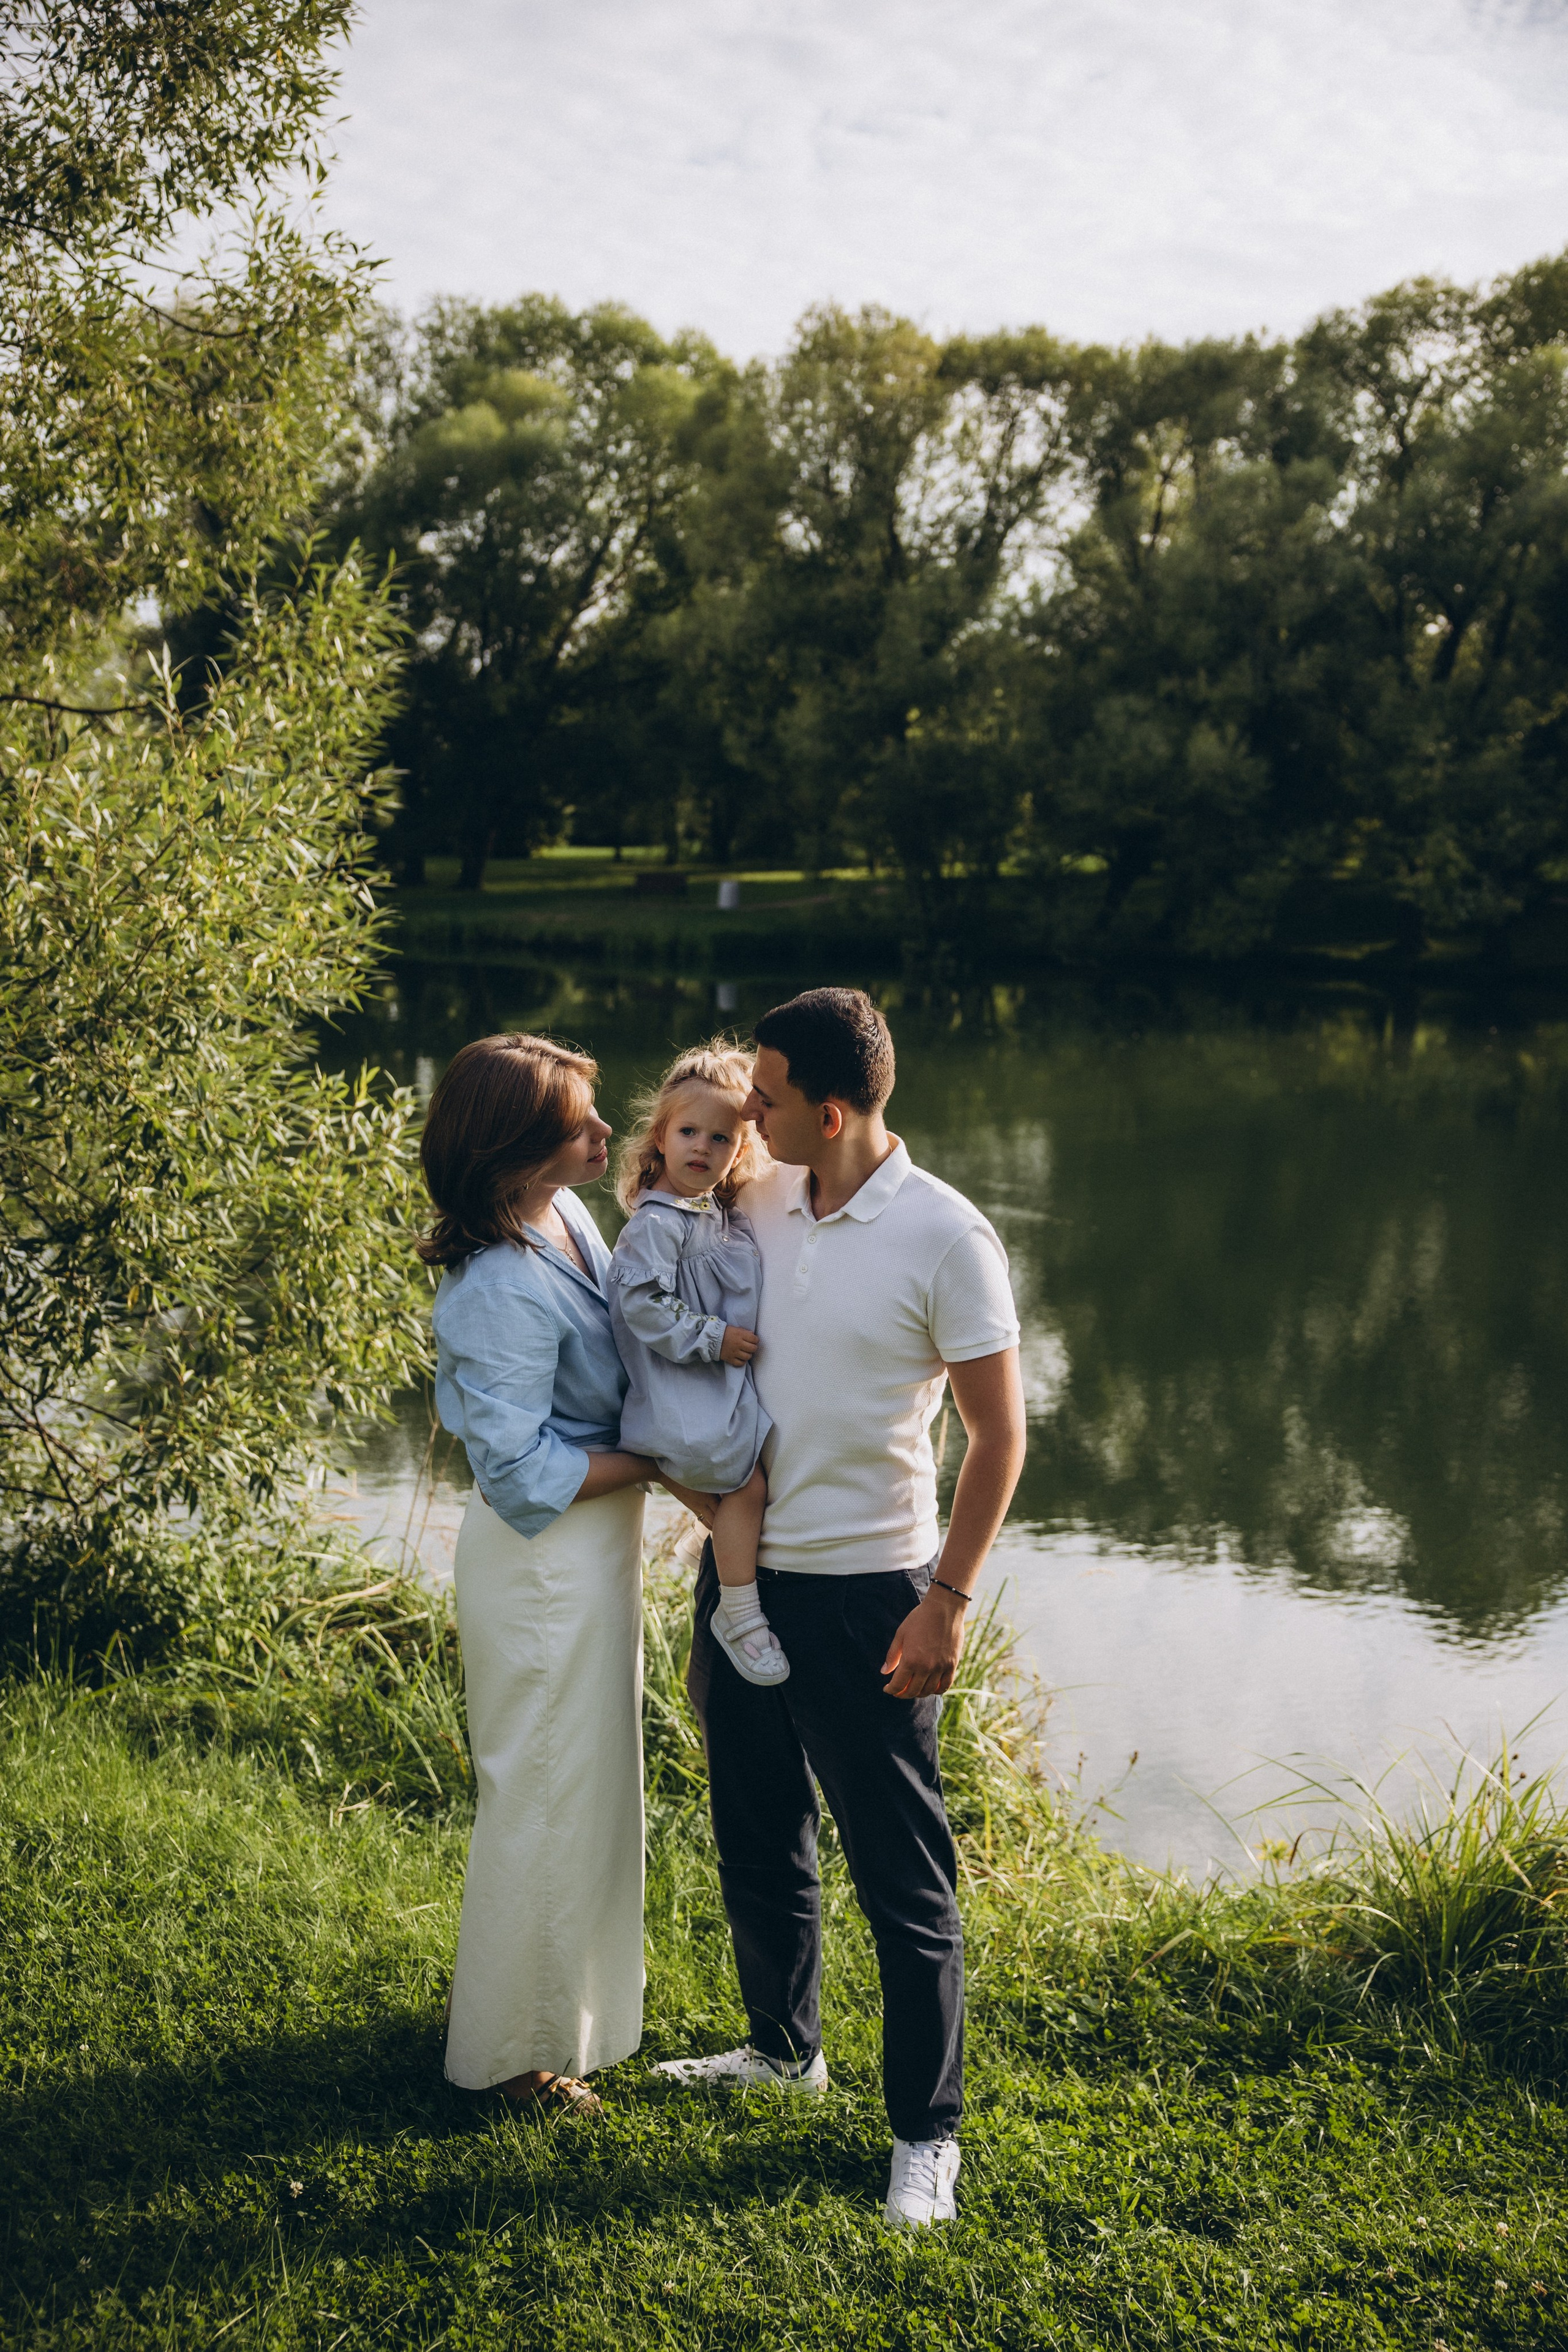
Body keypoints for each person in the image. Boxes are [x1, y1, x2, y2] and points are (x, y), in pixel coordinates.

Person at [656, 988, 1027, 2230]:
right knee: (756, 1830)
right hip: (747, 1580)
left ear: (826, 1108)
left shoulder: (947, 1236)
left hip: (874, 1596)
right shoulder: (756, 1197)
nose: (743, 1117)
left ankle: (926, 2135)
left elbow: (997, 1436)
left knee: (900, 1881)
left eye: (762, 1100)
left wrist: (948, 1604)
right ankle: (780, 2048)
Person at [420, 1031, 701, 2116]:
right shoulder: (497, 1286)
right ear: (513, 1157)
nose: (604, 1132)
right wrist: (665, 1463)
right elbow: (515, 1467)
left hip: (592, 1555)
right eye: (578, 1124)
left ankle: (548, 2006)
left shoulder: (567, 1216)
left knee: (583, 1792)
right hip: (541, 1564)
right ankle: (510, 2059)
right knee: (540, 1792)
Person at [608, 1042, 788, 1687]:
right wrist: (713, 1337)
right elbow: (641, 1305)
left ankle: (721, 1565)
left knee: (744, 1489)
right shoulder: (657, 1224)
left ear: (740, 1150)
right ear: (660, 1136)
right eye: (688, 1132)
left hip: (704, 1388)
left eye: (721, 1138)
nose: (702, 1149)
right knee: (746, 1488)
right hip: (683, 1386)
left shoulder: (708, 1212)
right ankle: (738, 1614)